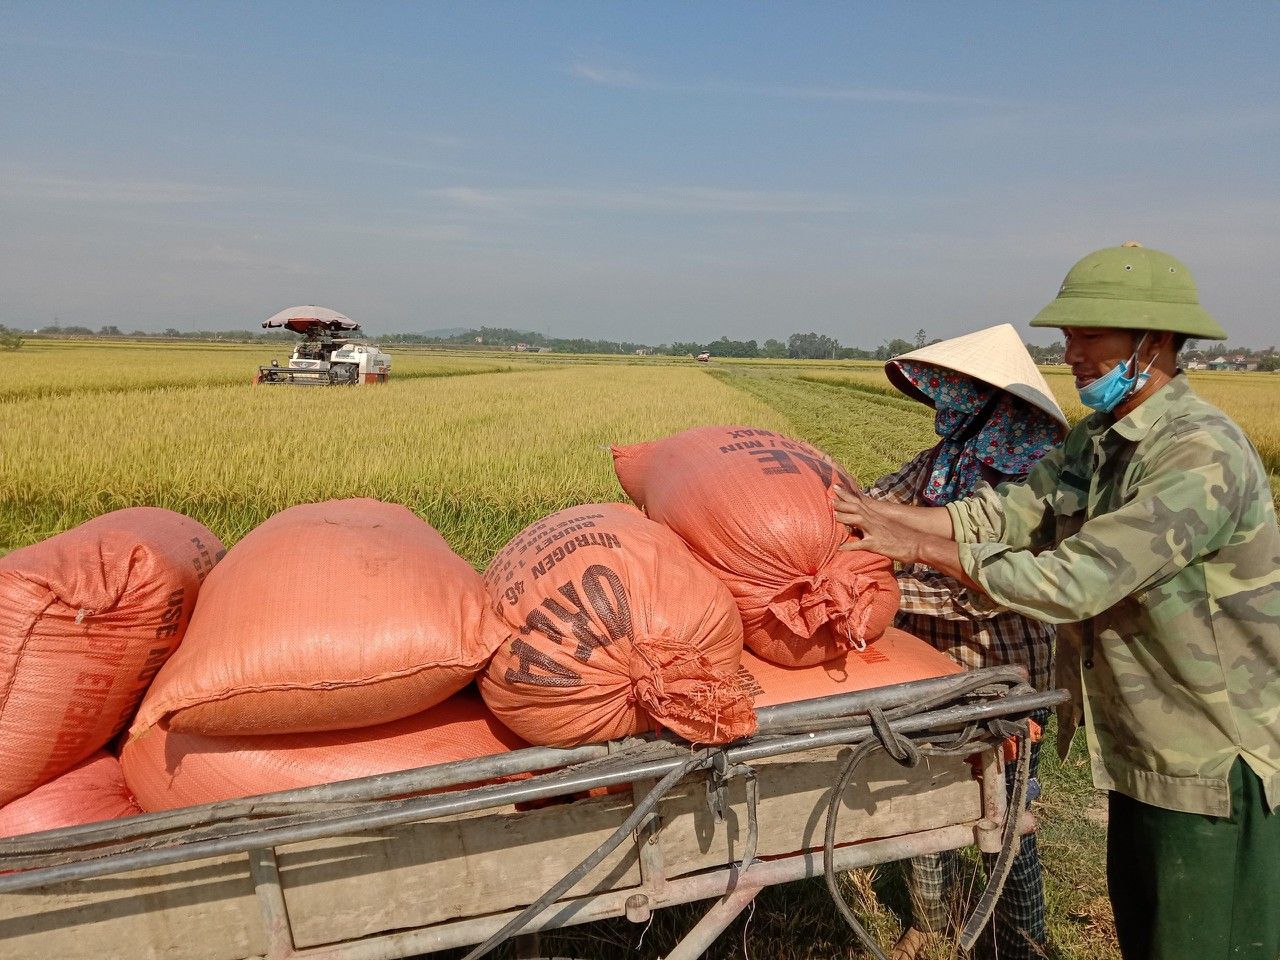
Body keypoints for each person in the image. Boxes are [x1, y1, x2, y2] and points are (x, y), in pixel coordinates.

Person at [833, 243, 1280, 960]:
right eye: (1066, 334)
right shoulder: (1102, 440)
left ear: (1154, 341)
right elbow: (1010, 510)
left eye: (1088, 334)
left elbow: (1074, 581)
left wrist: (913, 549)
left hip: (1210, 760)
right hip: (1143, 747)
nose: (1068, 351)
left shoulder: (1198, 455)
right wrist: (876, 518)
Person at [866, 325, 1068, 960]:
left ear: (991, 402)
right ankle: (934, 923)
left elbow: (984, 592)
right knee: (918, 800)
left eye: (959, 392)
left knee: (1004, 814)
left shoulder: (1032, 484)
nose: (946, 403)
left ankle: (1021, 941)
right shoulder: (941, 462)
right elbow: (875, 505)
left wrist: (880, 587)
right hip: (924, 669)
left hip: (998, 675)